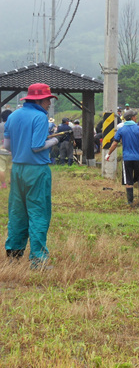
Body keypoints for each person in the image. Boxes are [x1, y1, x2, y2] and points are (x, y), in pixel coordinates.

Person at [3, 83, 60, 269]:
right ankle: (38, 260)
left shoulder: (13, 115)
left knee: (17, 211)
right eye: (48, 100)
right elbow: (37, 146)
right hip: (36, 170)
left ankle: (13, 253)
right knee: (38, 212)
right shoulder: (40, 117)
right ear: (40, 100)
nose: (49, 104)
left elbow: (8, 147)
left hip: (17, 169)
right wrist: (55, 140)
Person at [105, 109, 139, 205]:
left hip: (127, 158)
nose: (136, 118)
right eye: (135, 116)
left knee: (128, 181)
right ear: (132, 118)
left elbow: (114, 144)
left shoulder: (121, 130)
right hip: (138, 157)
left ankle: (130, 202)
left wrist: (108, 154)